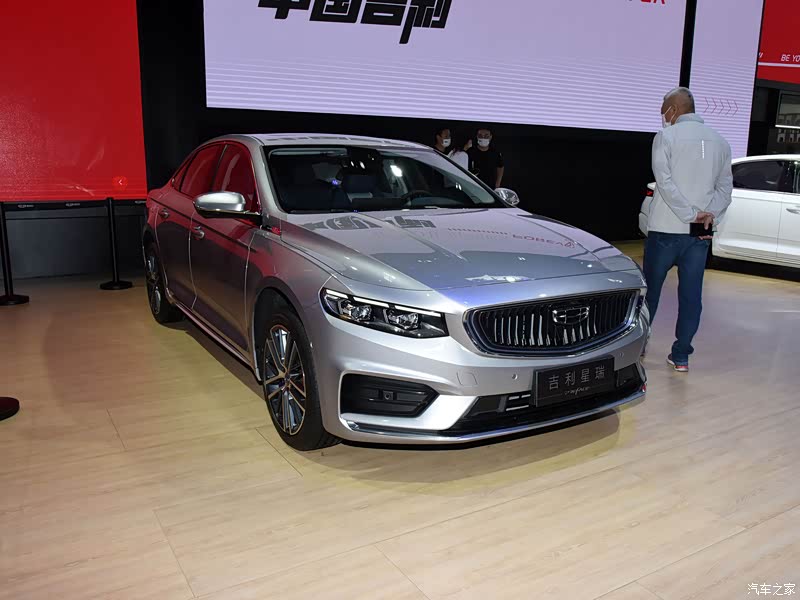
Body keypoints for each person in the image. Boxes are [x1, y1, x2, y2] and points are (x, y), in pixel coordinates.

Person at [643, 87, 732, 372]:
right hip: (698, 233)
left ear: (674, 108)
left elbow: (664, 182)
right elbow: (725, 188)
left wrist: (691, 214)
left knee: (650, 294)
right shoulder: (721, 141)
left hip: (666, 229)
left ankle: (638, 346)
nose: (662, 115)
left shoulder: (666, 137)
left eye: (663, 110)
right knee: (691, 296)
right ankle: (681, 356)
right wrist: (706, 216)